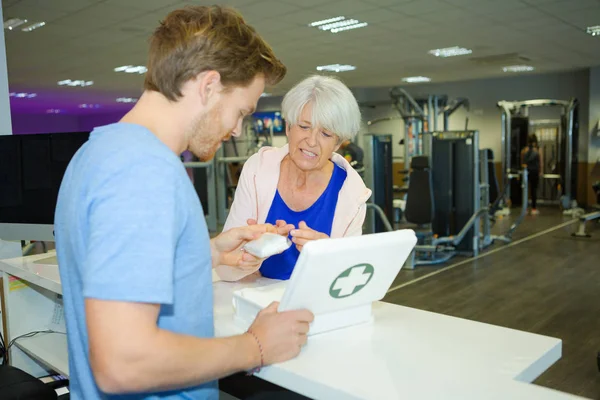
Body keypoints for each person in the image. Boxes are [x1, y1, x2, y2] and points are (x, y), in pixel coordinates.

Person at [54, 6, 313, 399]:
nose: (236, 129)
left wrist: (204, 254)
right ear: (208, 87)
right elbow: (123, 363)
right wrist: (255, 346)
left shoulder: (98, 152)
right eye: (241, 111)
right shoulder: (144, 172)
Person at [217, 75, 372, 282]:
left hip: (318, 302)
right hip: (257, 297)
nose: (311, 141)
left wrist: (328, 254)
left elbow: (351, 279)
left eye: (325, 134)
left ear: (337, 144)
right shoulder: (257, 170)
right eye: (304, 126)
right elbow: (226, 265)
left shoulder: (352, 193)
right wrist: (252, 252)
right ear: (288, 127)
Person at [521, 134, 543, 215]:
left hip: (526, 172)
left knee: (525, 190)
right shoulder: (538, 150)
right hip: (535, 171)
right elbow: (541, 162)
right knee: (534, 190)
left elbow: (522, 162)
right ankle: (533, 208)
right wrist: (541, 171)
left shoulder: (524, 150)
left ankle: (525, 208)